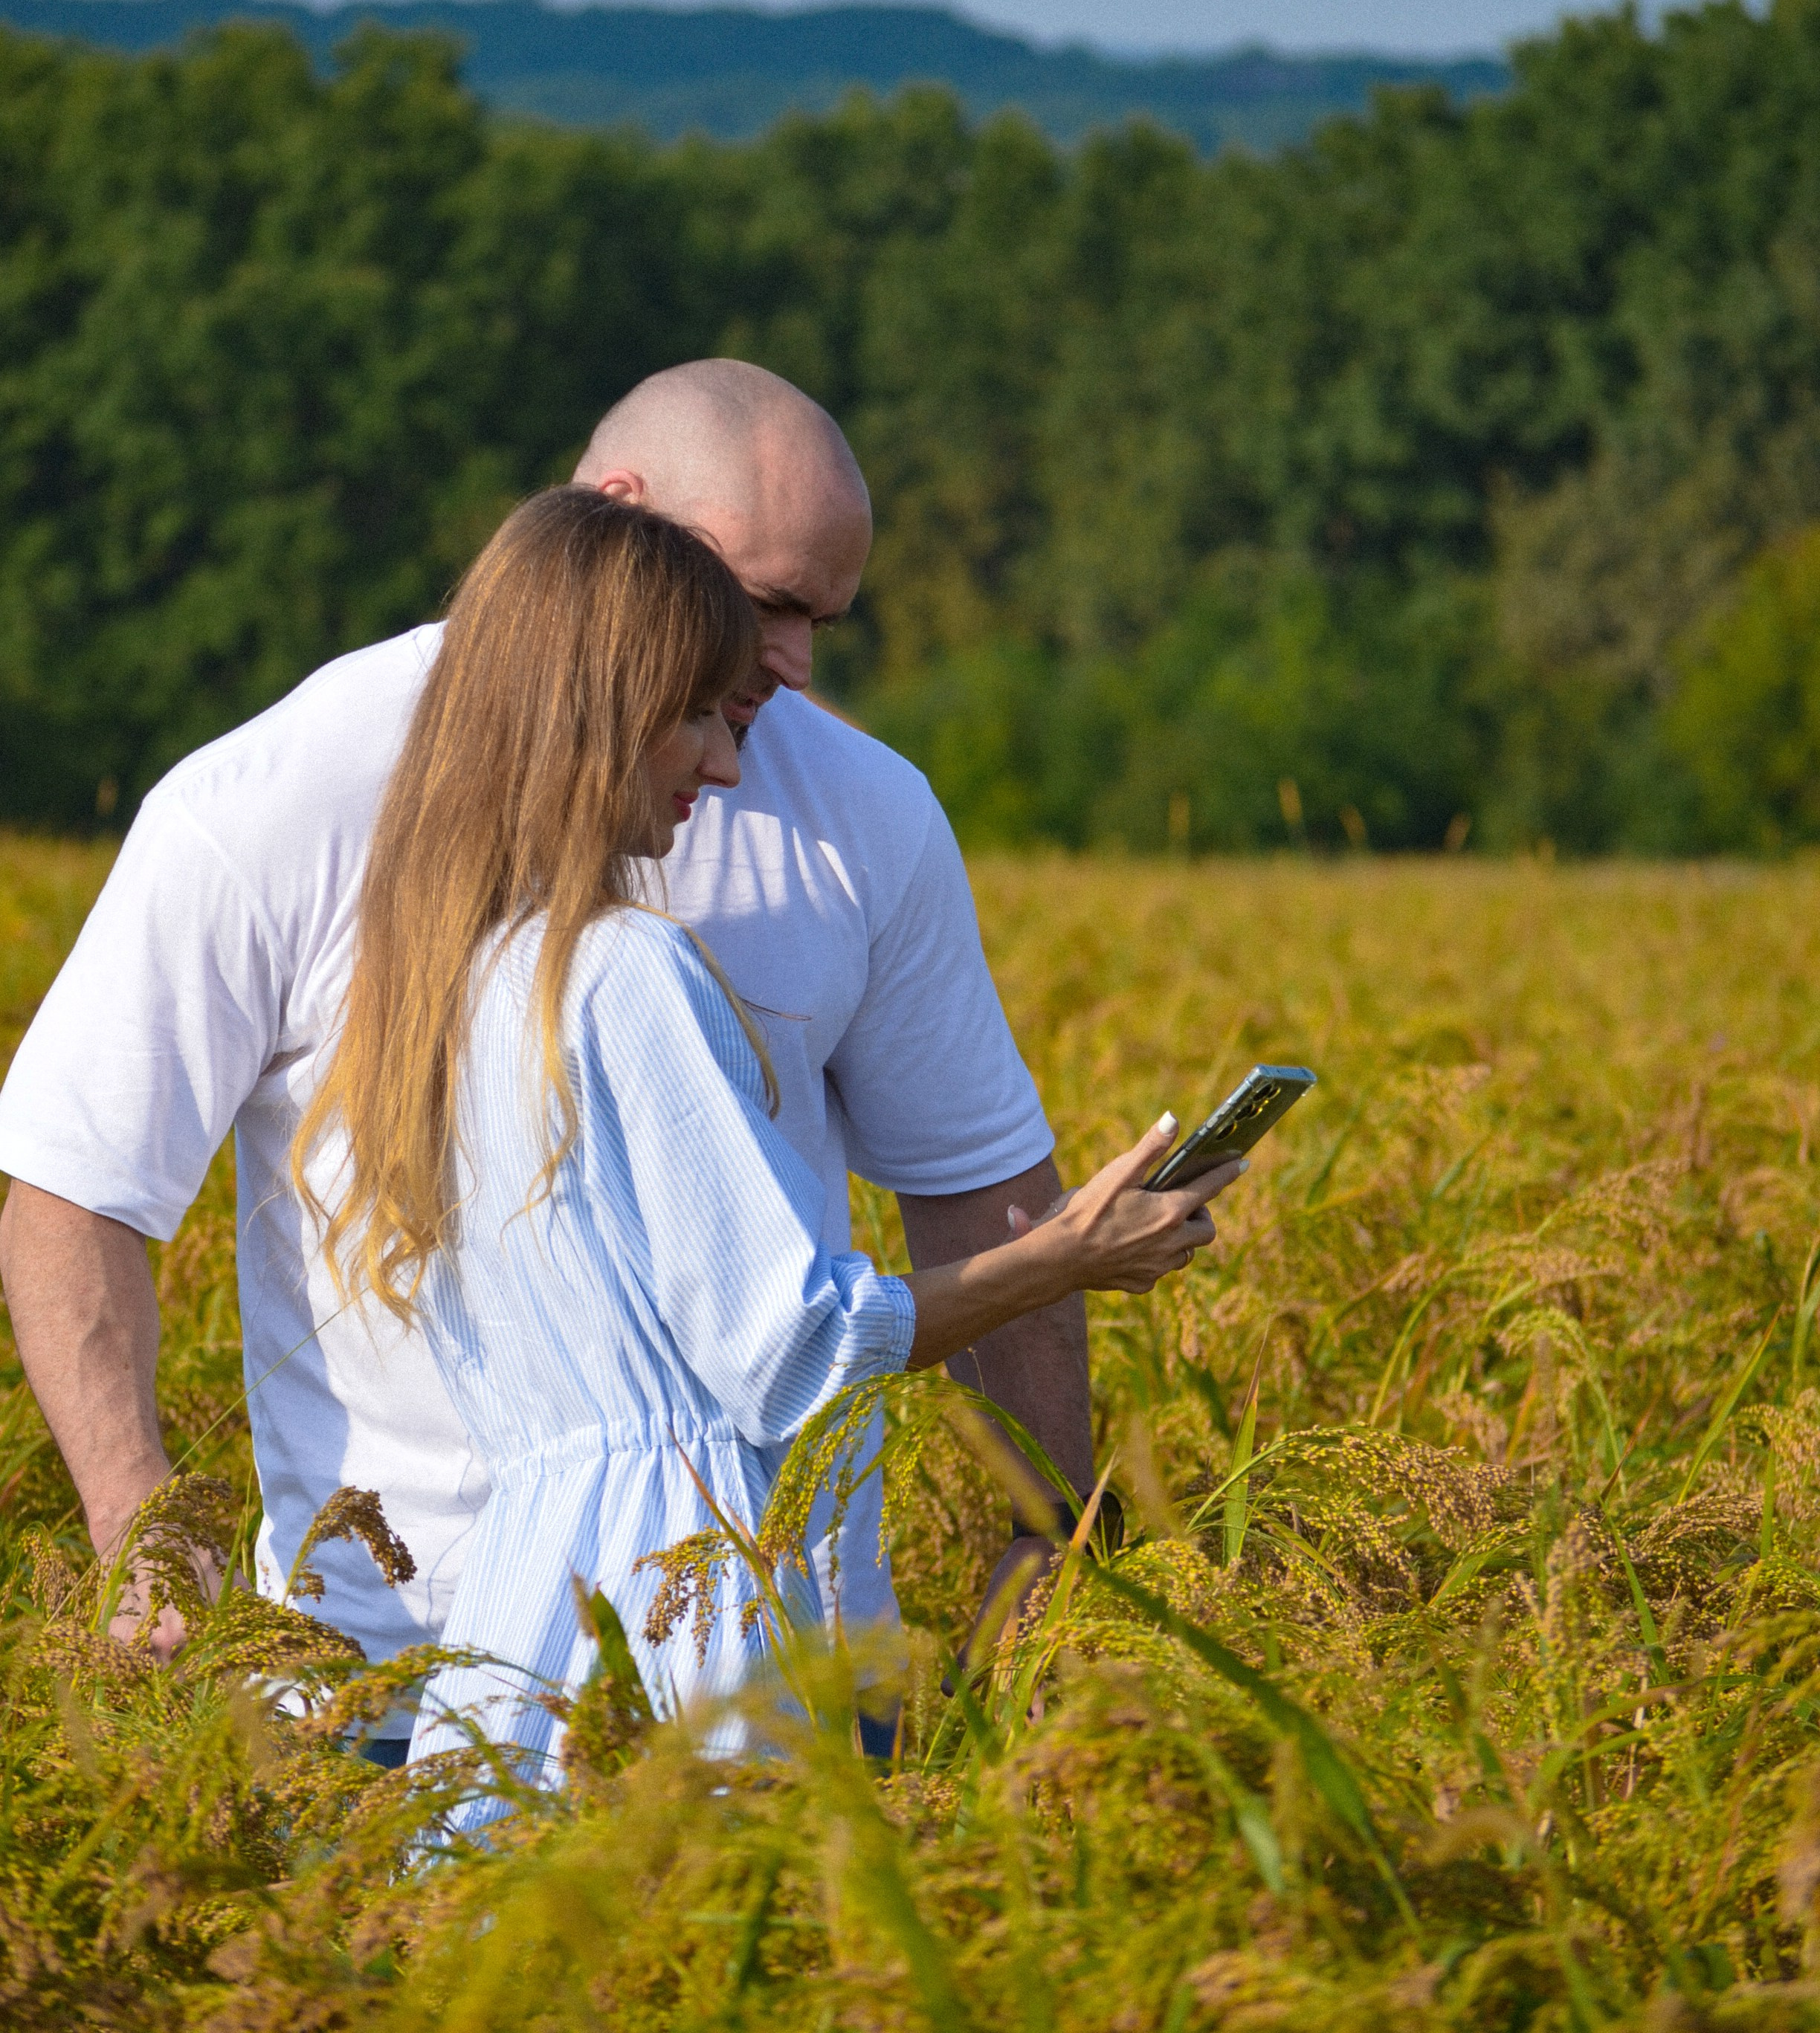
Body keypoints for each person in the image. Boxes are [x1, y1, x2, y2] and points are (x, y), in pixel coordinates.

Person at [0, 361, 1138, 1714]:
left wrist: (1048, 1533)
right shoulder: (275, 806)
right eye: (761, 603)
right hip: (391, 1670)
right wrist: (145, 1548)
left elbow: (974, 1182)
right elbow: (77, 1186)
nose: (789, 668)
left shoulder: (866, 815)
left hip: (780, 1656)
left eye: (823, 617)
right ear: (617, 527)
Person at [300, 486, 1230, 1790]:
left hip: (521, 1623)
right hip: (688, 1627)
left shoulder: (448, 984)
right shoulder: (620, 976)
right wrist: (1063, 1258)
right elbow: (791, 1350)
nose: (726, 765)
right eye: (694, 716)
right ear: (592, 711)